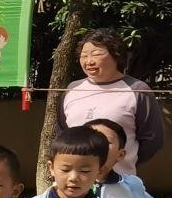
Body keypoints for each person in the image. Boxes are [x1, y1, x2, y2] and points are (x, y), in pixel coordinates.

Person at [53, 28, 165, 176]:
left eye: (97, 54)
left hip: (120, 181)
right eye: (84, 56)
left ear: (116, 55)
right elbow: (62, 132)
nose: (89, 61)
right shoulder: (72, 89)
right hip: (76, 182)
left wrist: (124, 161)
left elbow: (152, 139)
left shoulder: (137, 89)